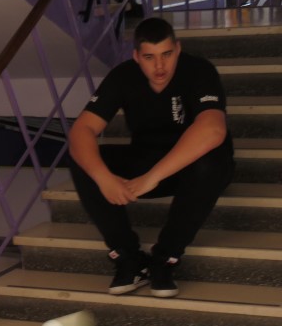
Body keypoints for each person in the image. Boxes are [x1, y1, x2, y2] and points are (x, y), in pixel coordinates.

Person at [67, 17, 233, 298]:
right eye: (149, 57)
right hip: (146, 160)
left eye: (167, 54)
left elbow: (213, 129)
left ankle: (165, 258)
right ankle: (128, 257)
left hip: (193, 169)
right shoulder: (123, 76)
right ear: (136, 57)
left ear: (177, 49)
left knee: (212, 161)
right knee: (81, 157)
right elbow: (81, 131)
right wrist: (103, 178)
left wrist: (151, 178)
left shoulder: (199, 70)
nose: (159, 66)